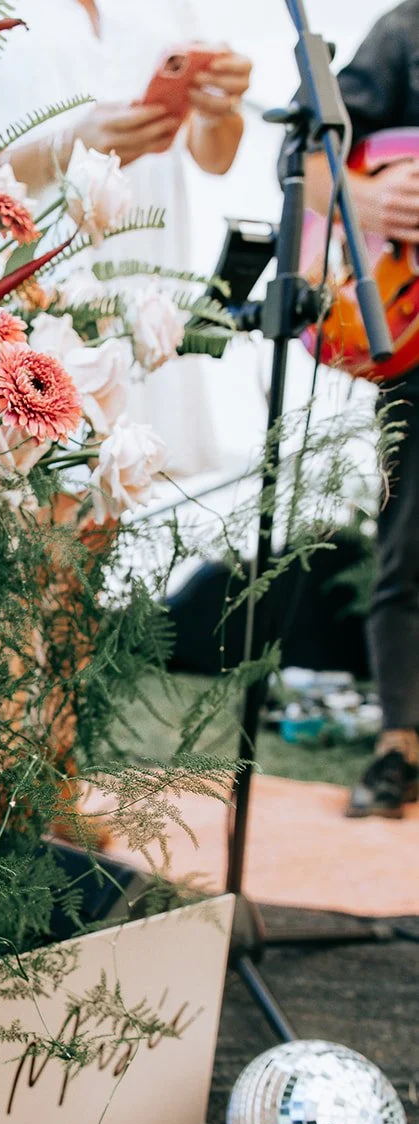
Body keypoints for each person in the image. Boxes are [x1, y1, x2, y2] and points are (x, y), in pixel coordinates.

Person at [0, 0, 252, 475]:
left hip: (145, 294)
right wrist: (64, 148)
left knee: (141, 492)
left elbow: (215, 157)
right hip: (32, 295)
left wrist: (220, 108)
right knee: (46, 505)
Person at [305, 2, 419, 819]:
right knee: (408, 544)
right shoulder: (408, 30)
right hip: (410, 327)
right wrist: (366, 201)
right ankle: (399, 750)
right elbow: (306, 153)